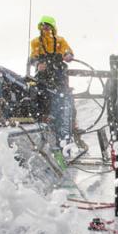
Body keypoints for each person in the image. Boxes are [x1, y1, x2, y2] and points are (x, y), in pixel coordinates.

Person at [29, 15, 74, 150]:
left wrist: (68, 56)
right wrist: (37, 64)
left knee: (61, 112)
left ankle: (62, 144)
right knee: (42, 108)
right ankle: (45, 141)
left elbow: (68, 52)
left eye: (47, 25)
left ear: (53, 27)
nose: (45, 28)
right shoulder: (36, 42)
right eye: (43, 25)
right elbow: (32, 58)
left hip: (59, 80)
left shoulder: (60, 41)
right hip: (43, 81)